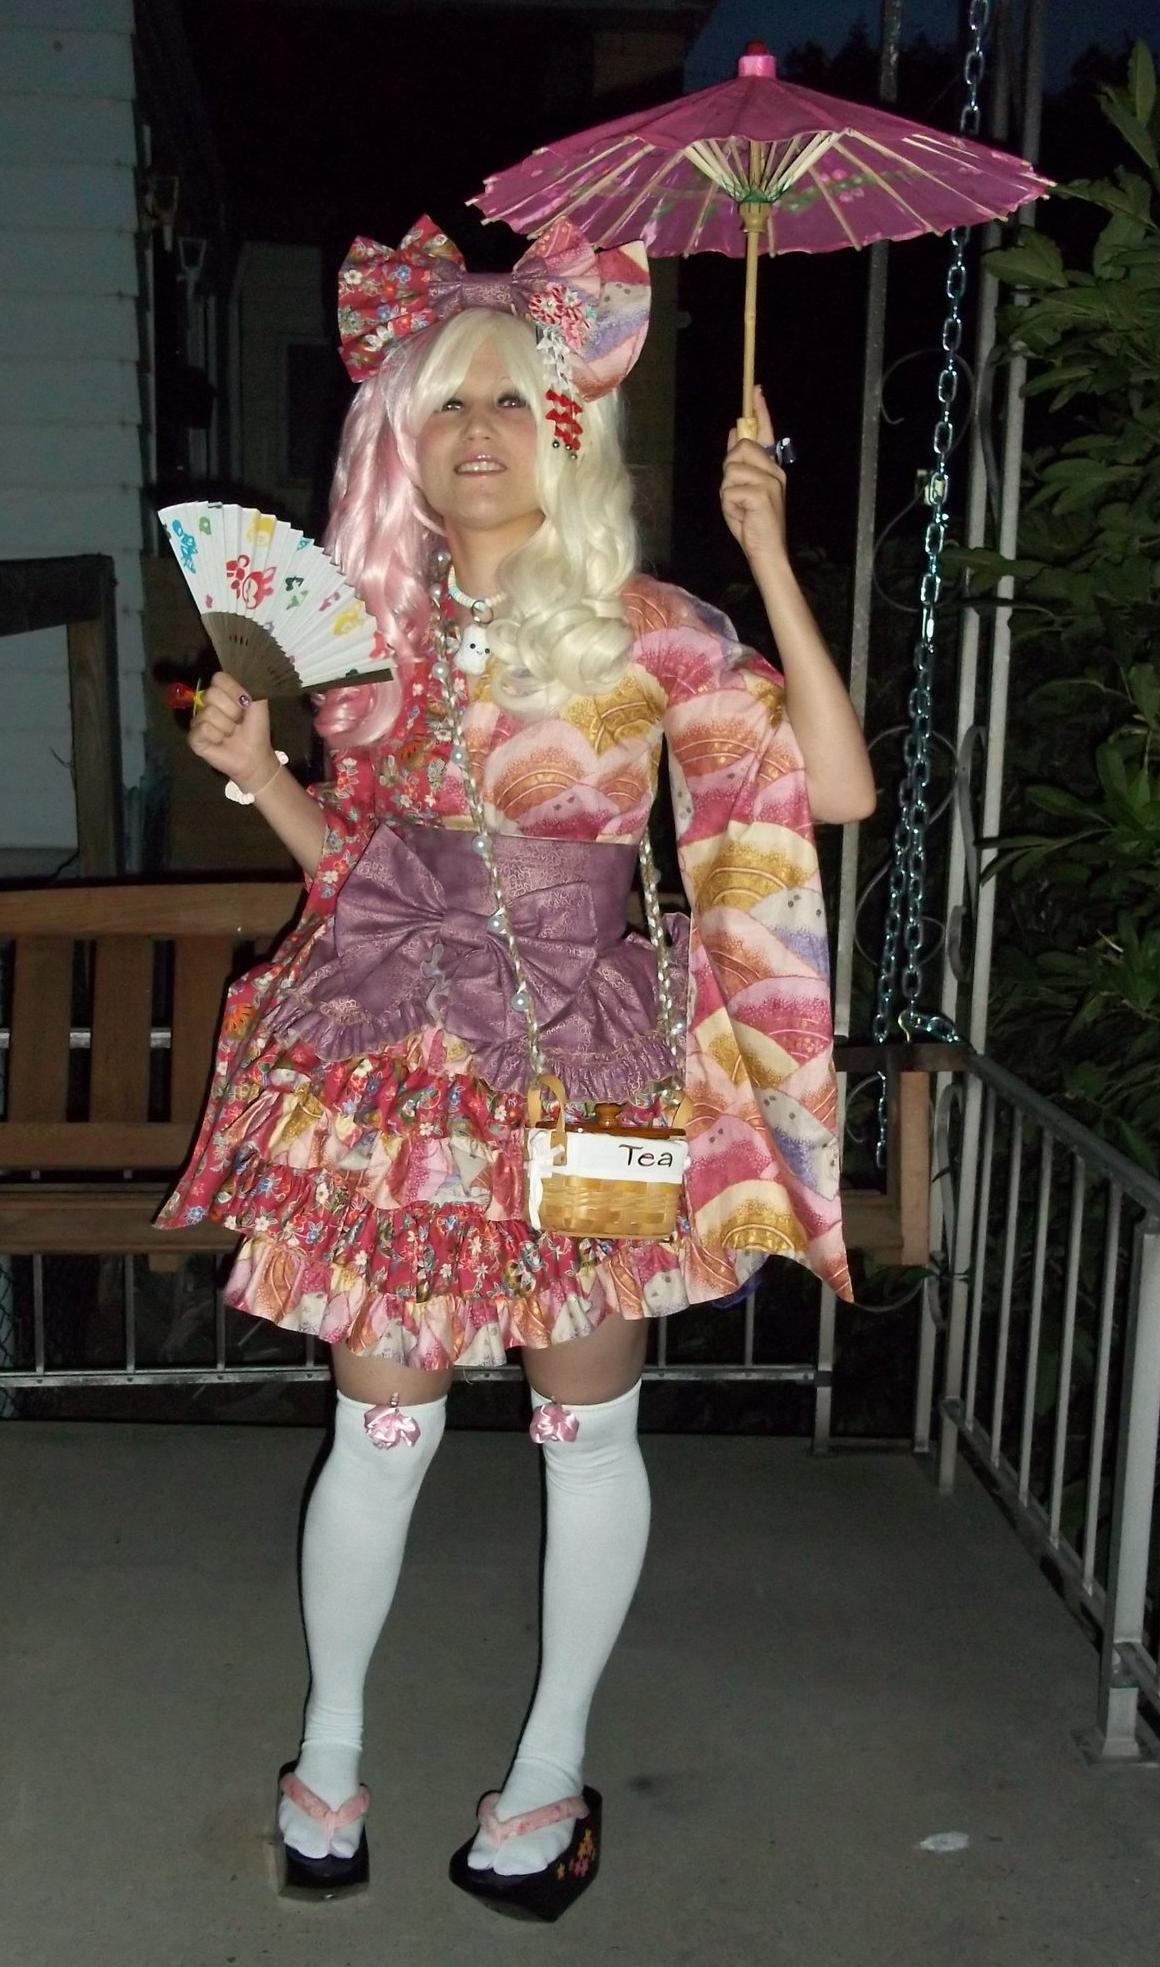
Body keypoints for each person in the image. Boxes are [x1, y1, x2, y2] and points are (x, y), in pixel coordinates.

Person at [158, 215, 875, 1918]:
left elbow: (829, 793)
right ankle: (329, 1772)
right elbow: (361, 872)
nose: (476, 431)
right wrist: (264, 768)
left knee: (586, 1424)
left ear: (568, 431)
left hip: (589, 1079)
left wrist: (770, 556)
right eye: (444, 403)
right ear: (402, 438)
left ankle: (543, 1787)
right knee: (382, 1427)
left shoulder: (647, 631)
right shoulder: (367, 634)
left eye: (511, 400)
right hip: (395, 1076)